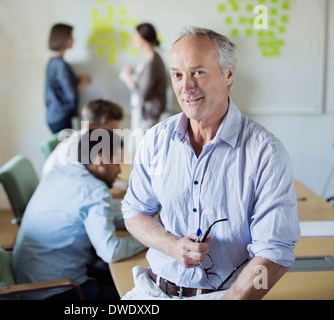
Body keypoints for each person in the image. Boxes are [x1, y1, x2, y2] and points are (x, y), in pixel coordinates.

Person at [121, 26, 300, 300]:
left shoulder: (266, 152)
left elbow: (275, 253)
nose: (186, 87)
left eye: (198, 72)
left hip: (223, 295)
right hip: (153, 290)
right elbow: (134, 211)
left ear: (228, 74)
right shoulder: (156, 139)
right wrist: (172, 246)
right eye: (178, 75)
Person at [12, 129, 146, 300]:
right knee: (138, 295)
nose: (118, 170)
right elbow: (110, 251)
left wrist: (143, 219)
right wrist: (151, 238)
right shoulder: (94, 190)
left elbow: (106, 215)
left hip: (30, 280)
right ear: (100, 159)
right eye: (117, 162)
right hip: (55, 290)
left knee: (126, 280)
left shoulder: (60, 173)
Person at [42, 99, 128, 199]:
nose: (113, 137)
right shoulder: (74, 152)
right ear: (90, 127)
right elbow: (88, 196)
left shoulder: (86, 143)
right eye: (109, 132)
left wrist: (125, 184)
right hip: (56, 195)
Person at [119, 23, 167, 132]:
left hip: (147, 115)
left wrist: (127, 78)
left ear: (143, 39)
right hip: (142, 112)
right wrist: (133, 73)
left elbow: (143, 93)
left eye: (135, 36)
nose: (133, 39)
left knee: (138, 147)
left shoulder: (153, 62)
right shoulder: (149, 59)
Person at [45, 23, 91, 134]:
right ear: (62, 38)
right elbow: (71, 95)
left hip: (54, 115)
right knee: (67, 150)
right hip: (62, 117)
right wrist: (82, 83)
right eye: (70, 36)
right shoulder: (61, 65)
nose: (73, 40)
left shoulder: (52, 62)